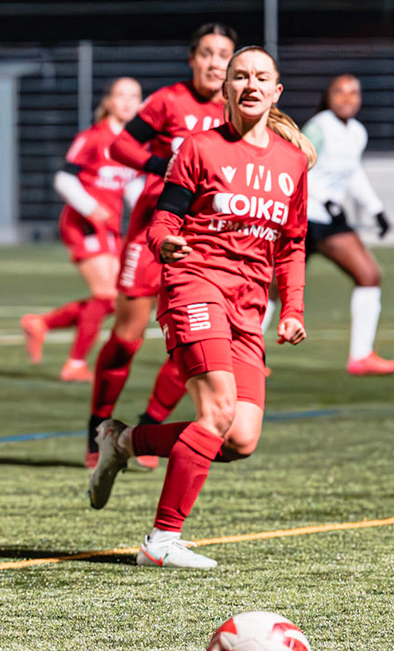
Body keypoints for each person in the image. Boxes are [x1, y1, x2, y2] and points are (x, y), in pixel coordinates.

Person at [87, 46, 311, 568]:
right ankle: (160, 543)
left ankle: (120, 442)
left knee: (239, 439)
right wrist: (165, 244)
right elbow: (163, 220)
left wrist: (294, 307)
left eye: (261, 77)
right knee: (216, 412)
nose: (250, 85)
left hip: (250, 305)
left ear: (276, 92)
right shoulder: (199, 148)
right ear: (227, 90)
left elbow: (294, 243)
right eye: (240, 77)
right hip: (195, 284)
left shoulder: (293, 162)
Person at [85, 24, 237, 470]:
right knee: (128, 337)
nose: (214, 62)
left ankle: (147, 427)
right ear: (192, 59)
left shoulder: (237, 111)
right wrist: (162, 162)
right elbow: (120, 145)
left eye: (223, 54)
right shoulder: (168, 100)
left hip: (207, 242)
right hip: (153, 230)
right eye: (206, 53)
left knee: (196, 343)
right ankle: (97, 429)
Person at [21, 76, 142, 381]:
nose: (128, 101)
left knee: (115, 301)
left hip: (109, 228)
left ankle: (42, 324)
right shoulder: (94, 137)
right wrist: (90, 207)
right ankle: (75, 364)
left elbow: (130, 188)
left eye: (134, 96)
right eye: (121, 95)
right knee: (108, 295)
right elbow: (64, 179)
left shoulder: (133, 144)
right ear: (109, 102)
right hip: (83, 224)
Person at [300, 75, 394, 375]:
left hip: (330, 220)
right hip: (302, 217)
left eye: (353, 92)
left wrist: (376, 209)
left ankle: (361, 356)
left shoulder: (357, 132)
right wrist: (323, 198)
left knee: (369, 275)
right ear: (328, 96)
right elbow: (297, 168)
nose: (347, 98)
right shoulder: (318, 127)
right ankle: (246, 358)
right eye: (340, 92)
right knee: (270, 290)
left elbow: (353, 174)